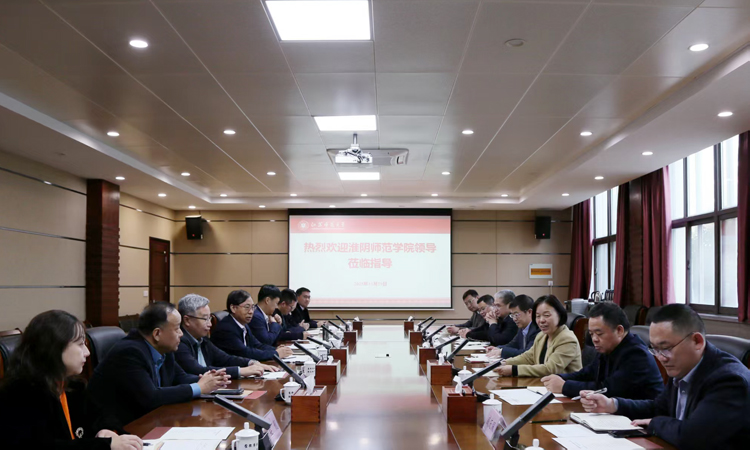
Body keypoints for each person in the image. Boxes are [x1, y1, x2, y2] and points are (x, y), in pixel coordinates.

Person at [580, 304, 750, 450]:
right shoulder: (683, 367)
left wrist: (655, 423)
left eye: (666, 348)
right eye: (655, 349)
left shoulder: (729, 381)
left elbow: (692, 436)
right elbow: (658, 407)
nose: (661, 358)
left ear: (697, 341)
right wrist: (612, 404)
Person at [0, 310, 143, 450]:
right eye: (80, 344)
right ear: (54, 347)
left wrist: (107, 430)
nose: (87, 352)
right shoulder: (20, 393)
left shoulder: (71, 384)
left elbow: (101, 414)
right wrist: (104, 445)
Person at [87, 302, 229, 426]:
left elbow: (180, 377)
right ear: (157, 334)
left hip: (152, 420)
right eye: (177, 329)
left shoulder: (163, 348)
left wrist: (210, 380)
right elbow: (151, 397)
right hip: (120, 429)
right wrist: (199, 387)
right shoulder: (130, 352)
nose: (181, 334)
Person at [541, 302, 664, 400]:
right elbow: (586, 374)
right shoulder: (608, 348)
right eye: (591, 334)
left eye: (599, 333)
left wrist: (564, 386)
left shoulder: (636, 355)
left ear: (619, 330)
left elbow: (607, 389)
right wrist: (558, 377)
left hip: (640, 420)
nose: (594, 339)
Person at [175, 294, 279, 379]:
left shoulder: (203, 340)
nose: (210, 324)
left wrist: (251, 363)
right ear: (187, 320)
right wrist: (240, 371)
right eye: (205, 319)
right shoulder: (179, 342)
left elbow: (225, 358)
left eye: (209, 318)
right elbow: (198, 371)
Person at [495, 295, 582, 377]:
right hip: (542, 383)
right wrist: (504, 363)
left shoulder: (567, 339)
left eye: (546, 315)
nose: (541, 320)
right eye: (538, 316)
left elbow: (550, 369)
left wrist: (514, 369)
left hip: (564, 386)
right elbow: (528, 357)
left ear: (559, 314)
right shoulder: (541, 335)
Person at [211, 289, 293, 360]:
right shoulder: (226, 328)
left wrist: (275, 349)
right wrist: (276, 353)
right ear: (233, 308)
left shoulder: (244, 325)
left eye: (252, 307)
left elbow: (257, 345)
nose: (251, 312)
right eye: (247, 307)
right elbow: (245, 353)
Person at [486, 294, 540, 359]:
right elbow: (513, 344)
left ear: (529, 312)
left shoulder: (537, 329)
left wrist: (502, 351)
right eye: (512, 315)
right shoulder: (522, 328)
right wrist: (498, 348)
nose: (514, 319)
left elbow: (527, 353)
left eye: (516, 315)